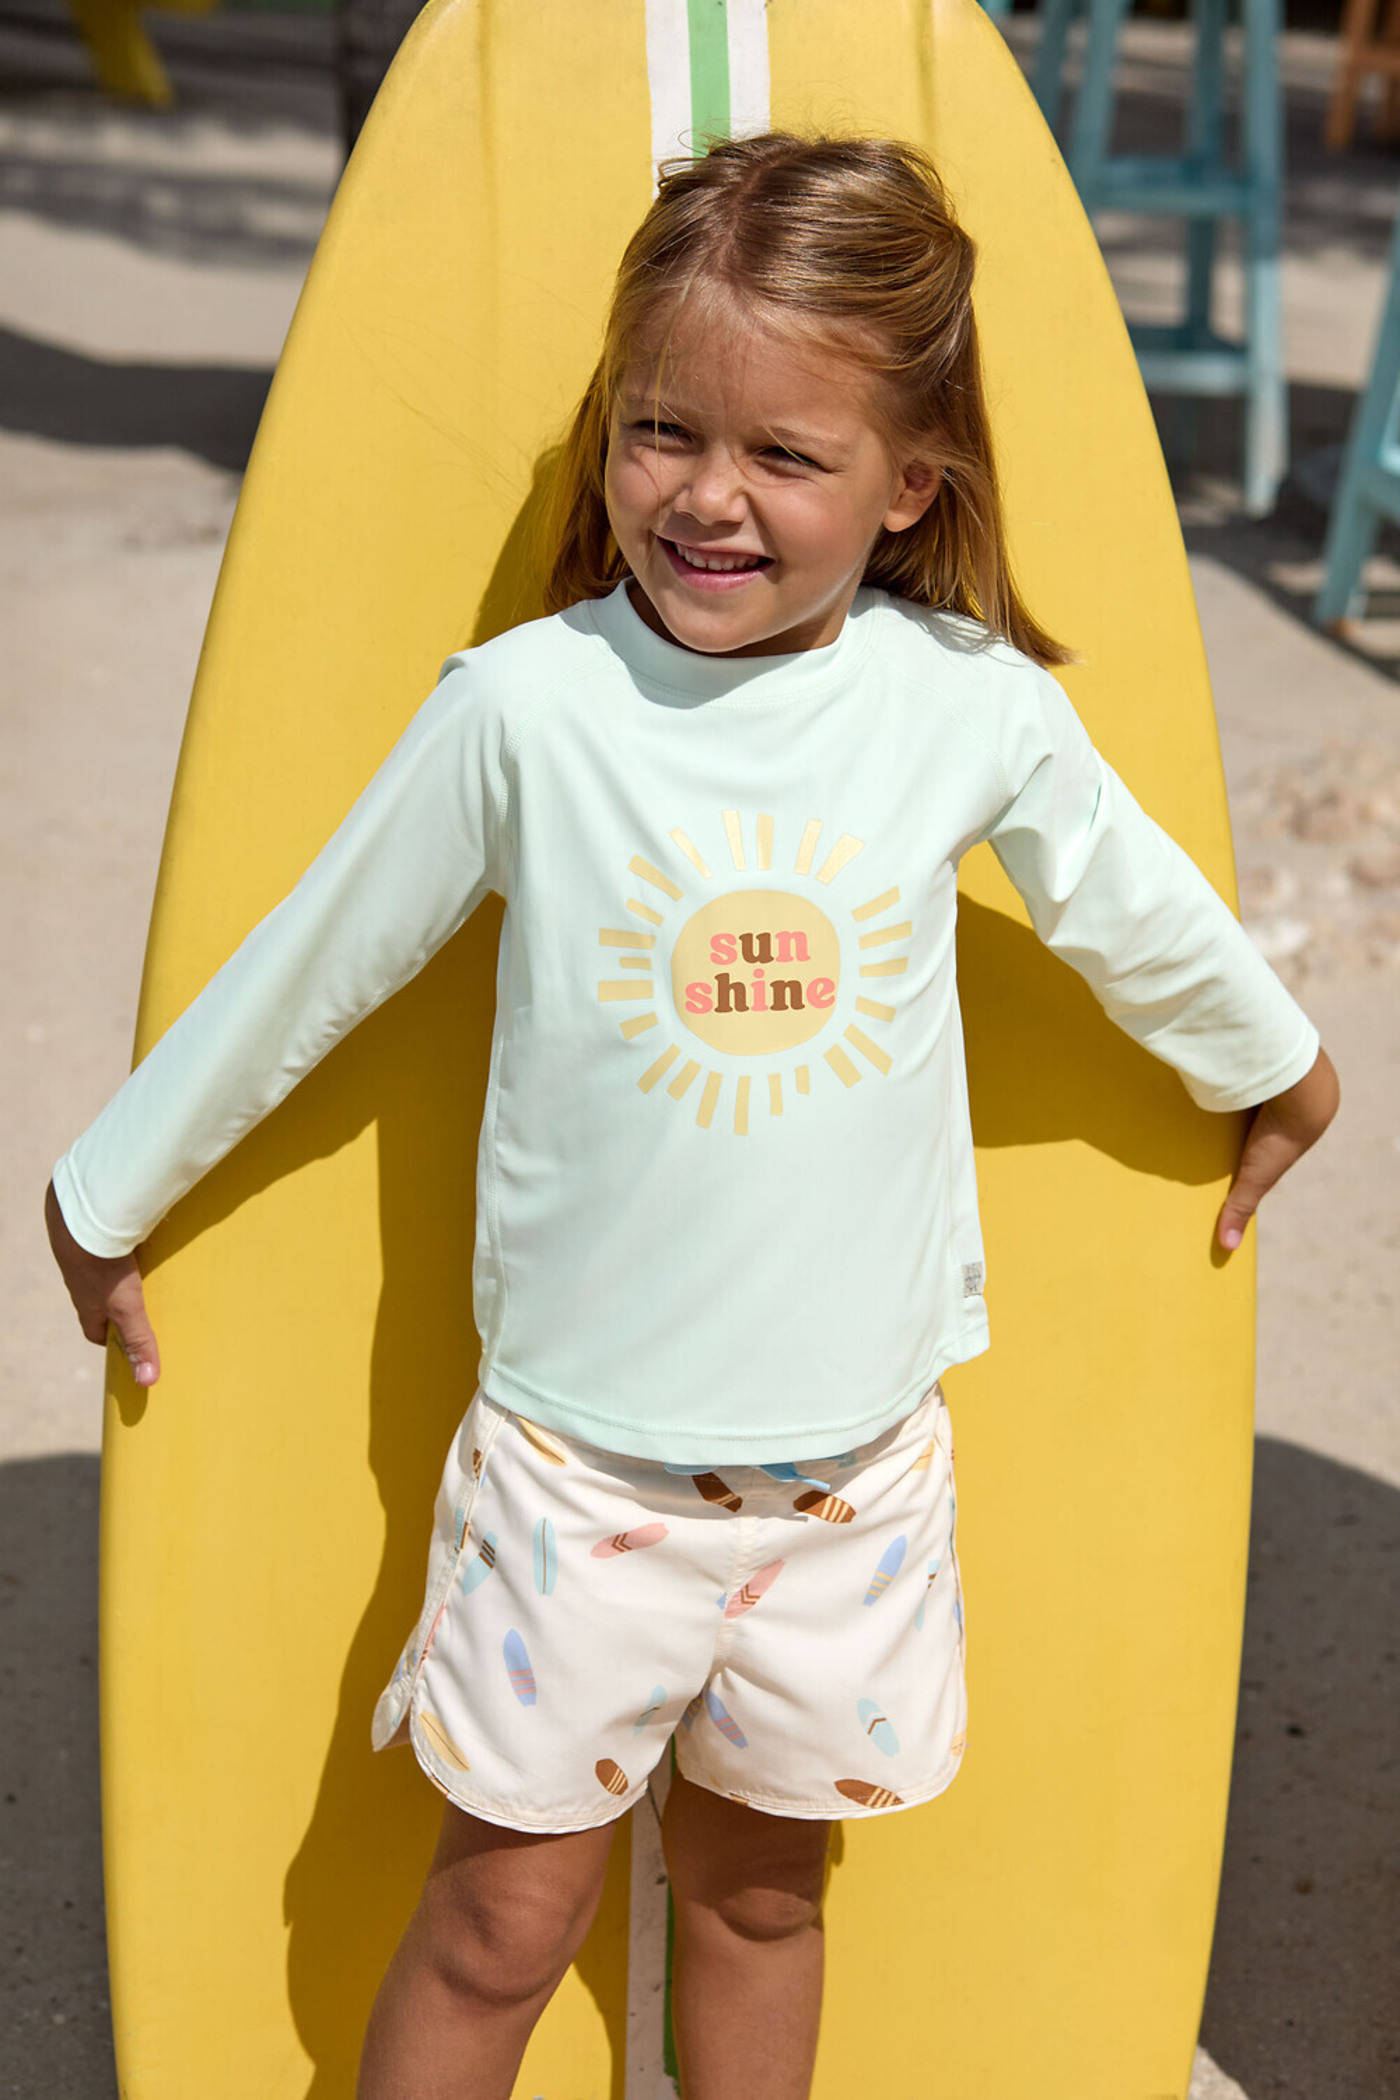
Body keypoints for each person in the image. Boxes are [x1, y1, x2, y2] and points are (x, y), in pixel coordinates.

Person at [45, 134, 1338, 2100]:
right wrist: (108, 1191)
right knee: (498, 1925)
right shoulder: (526, 710)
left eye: (783, 455)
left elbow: (1133, 912)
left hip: (853, 1490)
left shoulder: (965, 705)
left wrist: (1278, 1069)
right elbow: (312, 965)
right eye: (661, 430)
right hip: (576, 1480)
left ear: (910, 483)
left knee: (759, 1906)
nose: (706, 496)